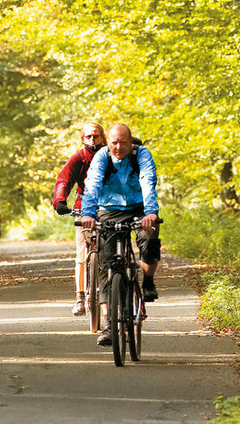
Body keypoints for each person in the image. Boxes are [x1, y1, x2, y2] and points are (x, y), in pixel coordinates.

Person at [79, 122, 160, 346]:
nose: (117, 147)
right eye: (113, 142)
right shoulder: (102, 157)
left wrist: (151, 212)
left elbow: (147, 181)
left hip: (139, 208)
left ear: (130, 141)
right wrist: (88, 214)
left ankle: (148, 281)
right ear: (108, 142)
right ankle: (109, 325)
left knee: (149, 240)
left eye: (122, 142)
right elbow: (93, 183)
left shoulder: (141, 154)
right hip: (109, 210)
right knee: (106, 266)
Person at [52, 120, 107, 316]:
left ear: (103, 137)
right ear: (82, 138)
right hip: (83, 207)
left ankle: (110, 288)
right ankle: (80, 297)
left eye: (96, 135)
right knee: (82, 254)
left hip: (108, 206)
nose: (92, 139)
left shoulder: (110, 155)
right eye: (88, 136)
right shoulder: (80, 157)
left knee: (109, 251)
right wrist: (60, 201)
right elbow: (64, 179)